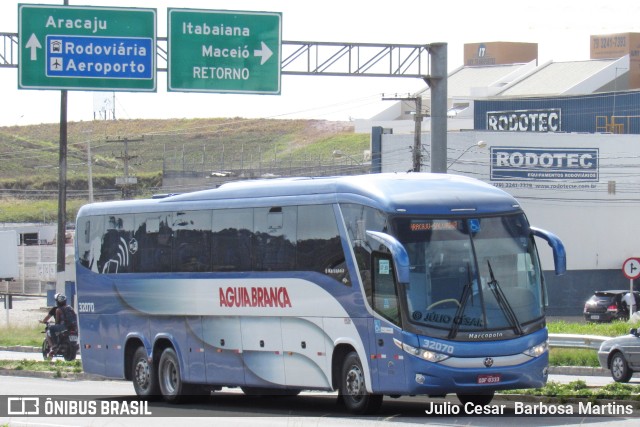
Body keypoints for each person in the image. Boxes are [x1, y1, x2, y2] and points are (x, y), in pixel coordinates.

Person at [40, 293, 77, 359]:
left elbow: (57, 322)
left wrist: (56, 324)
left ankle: (54, 345)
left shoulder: (58, 310)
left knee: (51, 329)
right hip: (74, 327)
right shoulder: (70, 308)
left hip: (64, 326)